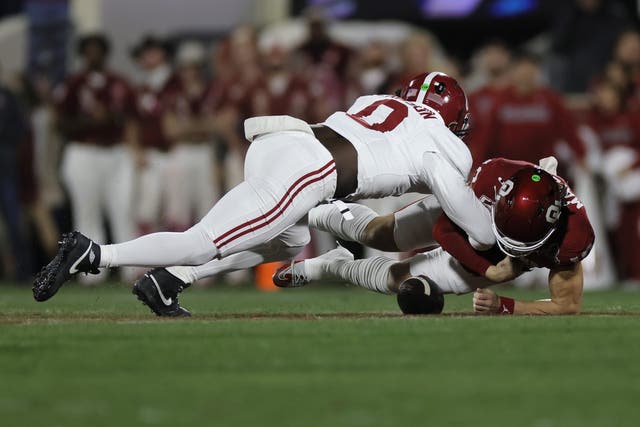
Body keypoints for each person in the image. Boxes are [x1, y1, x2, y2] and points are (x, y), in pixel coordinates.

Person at [33, 72, 494, 317]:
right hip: (307, 171)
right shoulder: (444, 144)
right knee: (202, 241)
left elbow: (388, 156)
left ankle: (170, 280)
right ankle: (95, 254)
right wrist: (496, 226)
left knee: (290, 242)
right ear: (453, 118)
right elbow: (475, 225)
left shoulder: (380, 102)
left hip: (286, 140)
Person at [276, 157, 594, 315]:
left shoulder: (574, 236)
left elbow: (567, 304)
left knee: (397, 280)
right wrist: (488, 270)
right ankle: (310, 212)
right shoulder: (491, 181)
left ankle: (328, 266)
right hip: (464, 220)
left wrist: (504, 305)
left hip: (497, 259)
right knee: (377, 233)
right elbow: (443, 229)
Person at [54, 34, 137, 283]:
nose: (93, 55)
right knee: (86, 212)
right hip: (83, 151)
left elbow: (132, 117)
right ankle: (91, 273)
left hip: (116, 151)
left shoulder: (119, 83)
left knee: (123, 209)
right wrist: (91, 121)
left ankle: (131, 269)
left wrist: (111, 120)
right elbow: (60, 123)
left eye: (97, 50)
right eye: (89, 51)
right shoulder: (73, 83)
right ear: (82, 54)